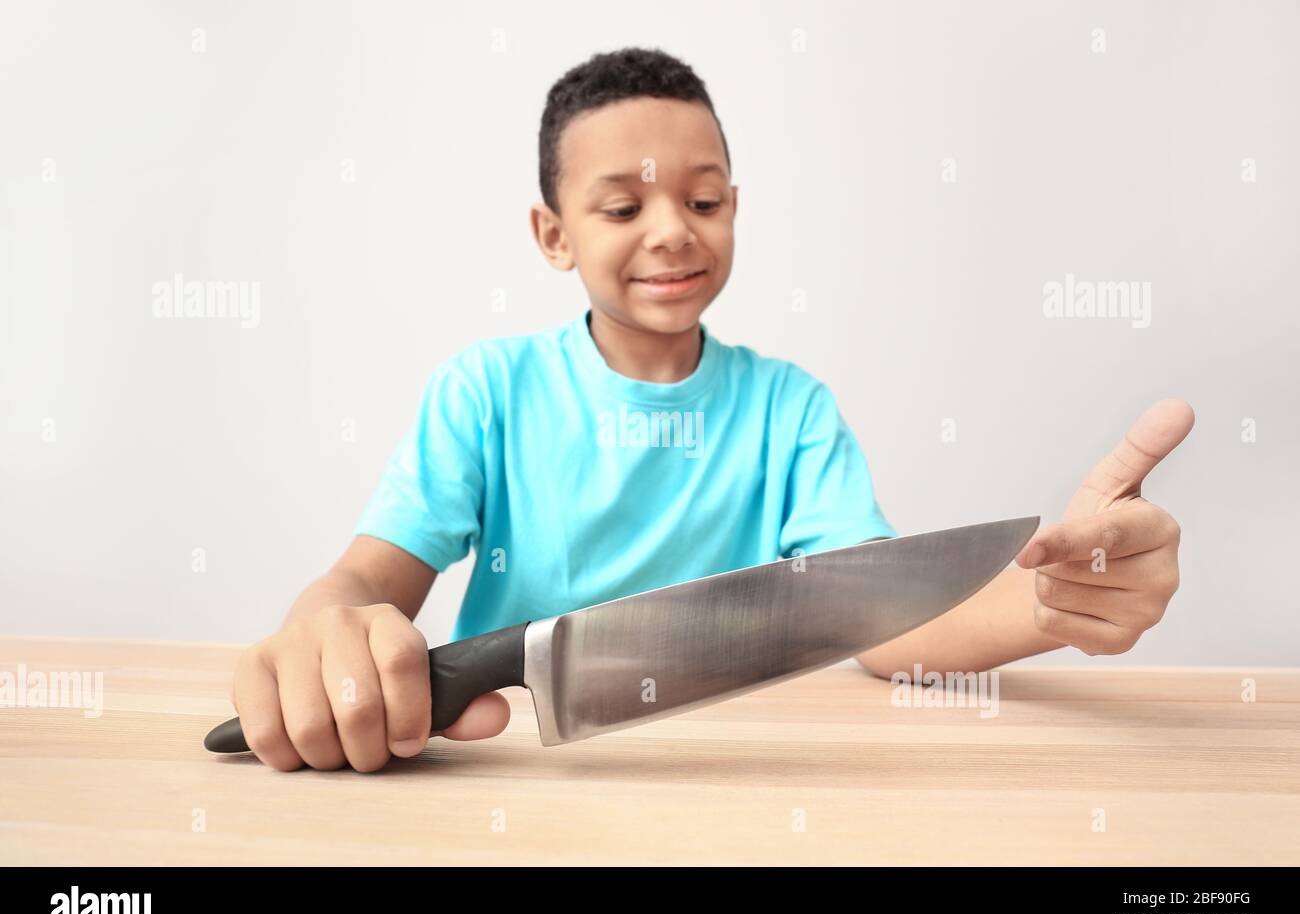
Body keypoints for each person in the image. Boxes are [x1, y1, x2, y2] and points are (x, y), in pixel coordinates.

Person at [229, 47, 1190, 772]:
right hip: (513, 770)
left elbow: (882, 623)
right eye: (621, 210)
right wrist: (326, 638)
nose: (672, 232)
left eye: (703, 199)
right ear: (553, 235)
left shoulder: (790, 410)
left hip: (733, 779)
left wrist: (1054, 600)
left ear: (735, 205)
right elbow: (362, 580)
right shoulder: (485, 391)